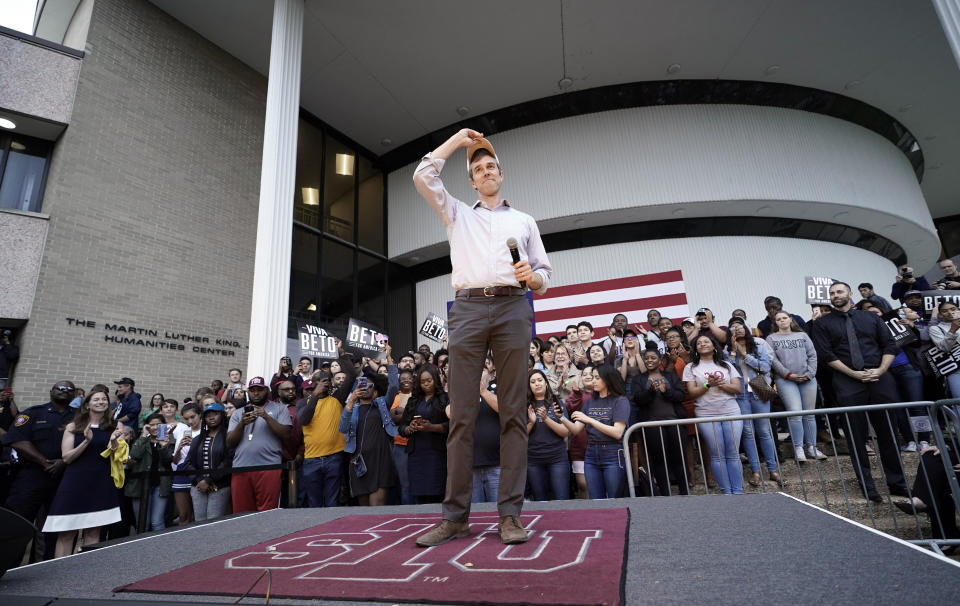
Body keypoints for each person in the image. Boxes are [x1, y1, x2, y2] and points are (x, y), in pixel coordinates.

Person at [412, 129, 552, 547]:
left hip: (512, 306)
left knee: (513, 412)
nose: (486, 172)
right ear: (471, 181)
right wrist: (457, 142)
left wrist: (536, 280)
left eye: (491, 166)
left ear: (501, 175)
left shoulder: (524, 221)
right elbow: (423, 175)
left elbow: (545, 273)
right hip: (469, 307)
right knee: (461, 415)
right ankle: (455, 517)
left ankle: (509, 516)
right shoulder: (457, 213)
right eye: (478, 169)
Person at [809, 281, 910, 502]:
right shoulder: (822, 323)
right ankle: (868, 486)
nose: (836, 295)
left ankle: (898, 484)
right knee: (855, 436)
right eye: (832, 293)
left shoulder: (871, 318)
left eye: (840, 291)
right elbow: (826, 355)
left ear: (850, 294)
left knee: (889, 434)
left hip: (880, 379)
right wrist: (853, 374)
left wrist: (881, 370)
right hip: (847, 382)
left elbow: (890, 345)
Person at [1, 380, 77, 563]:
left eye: (69, 389)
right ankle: (9, 567)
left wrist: (63, 463)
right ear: (51, 391)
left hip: (63, 479)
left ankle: (42, 568)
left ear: (73, 395)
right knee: (18, 524)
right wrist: (44, 462)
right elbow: (17, 440)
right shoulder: (33, 413)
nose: (64, 391)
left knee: (52, 529)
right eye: (60, 388)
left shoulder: (79, 417)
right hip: (31, 477)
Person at [42, 389, 122, 557]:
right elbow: (67, 458)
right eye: (96, 399)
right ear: (87, 404)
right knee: (66, 533)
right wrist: (86, 441)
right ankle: (61, 572)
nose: (101, 402)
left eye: (104, 399)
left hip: (101, 482)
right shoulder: (74, 426)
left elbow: (116, 455)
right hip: (75, 483)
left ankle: (85, 575)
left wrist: (114, 441)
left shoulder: (115, 426)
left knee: (93, 533)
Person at [682, 335, 744, 495]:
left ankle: (737, 492)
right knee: (717, 454)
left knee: (732, 453)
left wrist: (721, 384)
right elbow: (692, 392)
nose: (702, 344)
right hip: (706, 414)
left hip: (731, 412)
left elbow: (738, 389)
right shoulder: (690, 367)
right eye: (699, 343)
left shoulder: (727, 365)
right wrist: (708, 384)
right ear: (695, 348)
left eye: (706, 341)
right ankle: (726, 492)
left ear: (714, 346)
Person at [725, 317, 781, 486]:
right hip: (740, 394)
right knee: (747, 433)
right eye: (733, 327)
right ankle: (756, 472)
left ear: (747, 328)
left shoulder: (758, 343)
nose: (738, 329)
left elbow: (764, 367)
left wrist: (745, 355)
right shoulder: (727, 350)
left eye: (740, 326)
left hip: (759, 389)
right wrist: (734, 353)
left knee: (764, 431)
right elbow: (728, 372)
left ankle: (773, 470)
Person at [558, 364, 629, 499]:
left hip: (612, 453)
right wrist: (561, 417)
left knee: (615, 499)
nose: (593, 380)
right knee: (596, 499)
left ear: (608, 379)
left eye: (597, 377)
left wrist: (590, 420)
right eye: (592, 377)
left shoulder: (620, 401)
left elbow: (617, 432)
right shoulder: (591, 402)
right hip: (591, 454)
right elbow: (575, 429)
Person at [297, 351, 356, 508]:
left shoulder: (337, 398)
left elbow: (351, 374)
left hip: (334, 457)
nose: (324, 384)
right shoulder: (304, 403)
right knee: (314, 503)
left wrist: (342, 354)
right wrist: (315, 395)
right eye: (319, 381)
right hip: (311, 460)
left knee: (332, 502)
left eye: (326, 381)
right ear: (313, 383)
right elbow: (304, 419)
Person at [225, 376, 292, 512]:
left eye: (259, 390)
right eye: (252, 390)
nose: (256, 393)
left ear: (266, 390)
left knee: (268, 512)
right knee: (242, 513)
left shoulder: (280, 409)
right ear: (248, 392)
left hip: (269, 467)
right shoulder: (238, 413)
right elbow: (229, 443)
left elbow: (286, 434)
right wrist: (242, 424)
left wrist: (266, 416)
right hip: (241, 468)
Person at [766, 311, 825, 461]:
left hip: (807, 378)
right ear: (775, 323)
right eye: (778, 319)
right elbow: (773, 360)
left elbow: (812, 355)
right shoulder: (771, 338)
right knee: (795, 413)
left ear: (790, 319)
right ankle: (798, 448)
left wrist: (810, 373)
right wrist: (788, 374)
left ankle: (812, 447)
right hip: (786, 380)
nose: (782, 321)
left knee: (809, 414)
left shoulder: (803, 335)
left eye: (784, 318)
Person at [631, 347, 689, 496]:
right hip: (652, 425)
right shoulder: (638, 379)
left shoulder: (670, 376)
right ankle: (665, 493)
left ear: (660, 360)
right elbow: (637, 400)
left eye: (653, 358)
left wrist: (666, 391)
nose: (649, 360)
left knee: (678, 458)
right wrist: (650, 391)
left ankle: (685, 492)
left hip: (674, 423)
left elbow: (681, 396)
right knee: (659, 460)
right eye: (647, 358)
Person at [338, 371, 399, 506]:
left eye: (369, 386)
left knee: (376, 508)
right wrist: (351, 400)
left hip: (380, 461)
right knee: (364, 511)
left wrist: (389, 359)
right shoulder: (352, 410)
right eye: (361, 386)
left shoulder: (381, 406)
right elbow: (342, 428)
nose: (365, 389)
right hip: (359, 463)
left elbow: (394, 386)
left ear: (376, 393)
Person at [399, 365, 450, 504]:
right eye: (422, 382)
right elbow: (402, 426)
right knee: (420, 495)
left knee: (437, 493)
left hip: (437, 453)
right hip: (416, 453)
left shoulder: (445, 398)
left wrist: (431, 427)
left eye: (429, 380)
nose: (426, 384)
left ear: (436, 380)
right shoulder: (413, 400)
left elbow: (452, 425)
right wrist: (409, 428)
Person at [525, 369, 570, 501]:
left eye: (540, 380)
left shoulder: (556, 402)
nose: (537, 384)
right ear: (529, 386)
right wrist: (532, 423)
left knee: (561, 499)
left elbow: (565, 432)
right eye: (533, 382)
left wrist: (546, 419)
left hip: (557, 458)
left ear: (546, 383)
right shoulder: (525, 406)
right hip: (533, 460)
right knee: (540, 501)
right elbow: (519, 436)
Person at [126, 413, 174, 531]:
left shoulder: (170, 441)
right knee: (142, 522)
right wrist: (143, 435)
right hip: (140, 486)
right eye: (151, 425)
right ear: (147, 426)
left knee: (157, 522)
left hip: (160, 486)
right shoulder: (141, 440)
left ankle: (159, 548)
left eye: (159, 424)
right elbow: (134, 456)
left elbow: (168, 462)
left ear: (164, 426)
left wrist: (163, 446)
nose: (155, 427)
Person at [186, 402, 233, 521]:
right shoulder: (197, 439)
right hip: (198, 486)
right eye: (207, 415)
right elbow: (187, 463)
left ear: (222, 416)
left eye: (215, 414)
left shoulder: (229, 437)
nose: (211, 417)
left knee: (213, 521)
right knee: (199, 521)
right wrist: (199, 480)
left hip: (219, 486)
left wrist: (208, 480)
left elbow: (228, 462)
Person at [170, 402, 203, 525]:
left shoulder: (206, 431)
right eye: (186, 418)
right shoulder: (183, 431)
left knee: (198, 515)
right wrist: (179, 448)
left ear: (200, 415)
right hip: (181, 471)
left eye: (192, 417)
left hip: (199, 472)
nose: (190, 421)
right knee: (183, 515)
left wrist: (194, 444)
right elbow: (175, 460)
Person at [563, 365, 592, 499]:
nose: (587, 376)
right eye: (584, 374)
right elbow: (568, 408)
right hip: (579, 446)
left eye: (591, 374)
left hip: (599, 445)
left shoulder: (605, 396)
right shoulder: (578, 393)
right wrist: (575, 392)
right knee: (583, 484)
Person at [929, 301, 960, 398]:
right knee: (958, 400)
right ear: (940, 314)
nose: (950, 312)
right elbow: (945, 348)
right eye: (944, 311)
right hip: (956, 370)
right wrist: (952, 330)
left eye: (953, 309)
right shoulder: (936, 329)